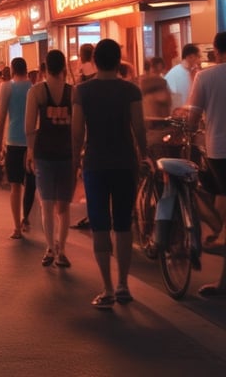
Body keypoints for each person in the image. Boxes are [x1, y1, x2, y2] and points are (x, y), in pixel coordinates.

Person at [71, 38, 149, 309]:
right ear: (119, 62)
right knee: (124, 224)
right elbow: (139, 128)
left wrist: (75, 161)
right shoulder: (131, 90)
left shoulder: (82, 91)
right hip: (125, 163)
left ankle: (107, 288)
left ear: (94, 61)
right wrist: (144, 155)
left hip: (95, 164)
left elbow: (77, 132)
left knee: (100, 225)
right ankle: (123, 284)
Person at [25, 50, 74, 268]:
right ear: (64, 68)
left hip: (43, 154)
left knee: (46, 205)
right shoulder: (73, 92)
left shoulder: (36, 92)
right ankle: (61, 250)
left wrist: (30, 151)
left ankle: (50, 248)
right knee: (63, 207)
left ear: (45, 68)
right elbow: (79, 127)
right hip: (67, 154)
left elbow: (29, 127)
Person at [188, 32, 226, 297]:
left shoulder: (205, 77)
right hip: (218, 153)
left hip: (218, 151)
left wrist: (188, 127)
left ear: (216, 50)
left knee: (198, 193)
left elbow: (192, 119)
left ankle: (219, 235)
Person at [0, 57, 36, 239]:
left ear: (12, 70)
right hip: (31, 143)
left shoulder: (6, 87)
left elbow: (1, 117)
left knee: (15, 186)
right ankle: (26, 218)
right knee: (31, 185)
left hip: (13, 142)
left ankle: (17, 227)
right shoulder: (34, 88)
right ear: (26, 70)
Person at [165, 43, 200, 110]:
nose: (198, 59)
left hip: (190, 110)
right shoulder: (174, 73)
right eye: (197, 56)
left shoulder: (194, 72)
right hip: (179, 112)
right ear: (189, 57)